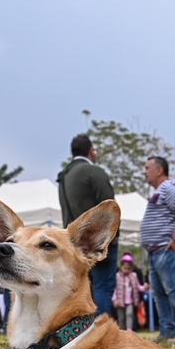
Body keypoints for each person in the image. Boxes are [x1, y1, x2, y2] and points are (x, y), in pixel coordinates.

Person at [139, 155, 175, 344]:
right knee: (160, 293)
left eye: (147, 167)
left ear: (159, 170)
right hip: (155, 251)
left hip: (165, 250)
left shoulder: (168, 188)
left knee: (174, 290)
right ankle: (167, 330)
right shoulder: (160, 191)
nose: (144, 172)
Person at [57, 133, 118, 316]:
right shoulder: (93, 172)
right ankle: (100, 331)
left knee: (83, 288)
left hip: (72, 243)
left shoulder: (63, 176)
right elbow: (110, 208)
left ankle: (84, 331)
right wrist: (111, 240)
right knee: (103, 285)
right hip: (96, 242)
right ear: (91, 151)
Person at [113, 253, 146, 332]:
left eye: (128, 269)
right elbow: (115, 289)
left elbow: (138, 287)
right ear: (121, 267)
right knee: (121, 318)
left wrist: (145, 287)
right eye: (125, 268)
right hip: (120, 301)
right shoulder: (118, 276)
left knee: (129, 314)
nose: (126, 270)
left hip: (130, 301)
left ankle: (129, 330)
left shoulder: (134, 276)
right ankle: (122, 331)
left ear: (131, 268)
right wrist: (115, 299)